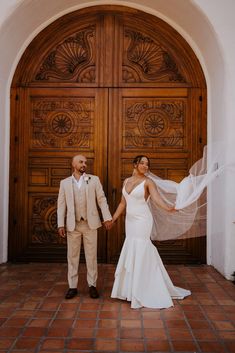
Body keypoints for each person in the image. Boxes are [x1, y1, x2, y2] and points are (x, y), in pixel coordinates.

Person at [109, 155, 191, 309]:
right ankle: (129, 289)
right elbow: (122, 203)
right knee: (132, 247)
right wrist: (113, 219)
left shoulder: (148, 182)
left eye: (147, 164)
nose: (145, 166)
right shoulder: (126, 181)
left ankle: (144, 289)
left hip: (143, 220)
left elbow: (157, 199)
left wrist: (169, 208)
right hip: (130, 221)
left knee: (141, 248)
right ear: (135, 164)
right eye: (142, 163)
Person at [57, 154, 112, 299]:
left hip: (90, 224)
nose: (84, 165)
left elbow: (101, 199)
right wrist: (60, 224)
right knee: (72, 256)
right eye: (81, 162)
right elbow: (61, 205)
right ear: (73, 164)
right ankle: (72, 286)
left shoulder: (94, 180)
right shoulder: (64, 183)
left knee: (91, 256)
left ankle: (92, 285)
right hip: (72, 225)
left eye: (85, 163)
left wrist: (107, 217)